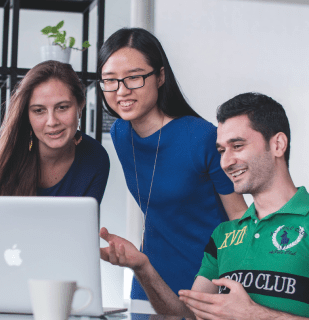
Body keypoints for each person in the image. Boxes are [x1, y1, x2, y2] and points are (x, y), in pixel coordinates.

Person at [100, 92, 309, 319]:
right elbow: (191, 314)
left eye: (237, 146)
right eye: (222, 150)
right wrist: (143, 267)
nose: (226, 162)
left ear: (278, 144)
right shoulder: (223, 235)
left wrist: (255, 315)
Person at [97, 27, 247, 306]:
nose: (122, 91)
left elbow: (240, 220)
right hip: (149, 281)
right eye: (110, 80)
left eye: (134, 78)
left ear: (161, 76)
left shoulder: (201, 138)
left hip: (207, 283)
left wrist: (232, 289)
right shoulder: (120, 133)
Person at [0, 60, 110, 204]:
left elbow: (84, 224)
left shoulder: (96, 158)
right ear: (27, 115)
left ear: (80, 106)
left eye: (62, 107)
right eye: (39, 110)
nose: (52, 121)